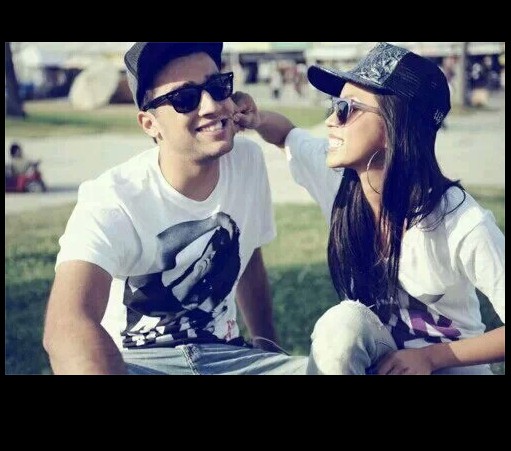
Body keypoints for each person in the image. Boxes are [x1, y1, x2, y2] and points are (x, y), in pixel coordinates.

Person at [233, 42, 505, 375]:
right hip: (380, 358)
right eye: (333, 105)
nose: (330, 121)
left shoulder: (460, 221)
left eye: (346, 108)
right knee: (340, 325)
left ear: (394, 128)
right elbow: (286, 135)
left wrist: (430, 358)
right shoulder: (338, 180)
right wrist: (258, 118)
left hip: (449, 365)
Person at [42, 42, 307, 375]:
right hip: (137, 363)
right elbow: (68, 324)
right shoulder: (113, 198)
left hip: (227, 356)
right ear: (149, 124)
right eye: (184, 98)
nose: (211, 105)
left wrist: (268, 349)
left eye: (217, 86)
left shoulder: (246, 161)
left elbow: (248, 254)